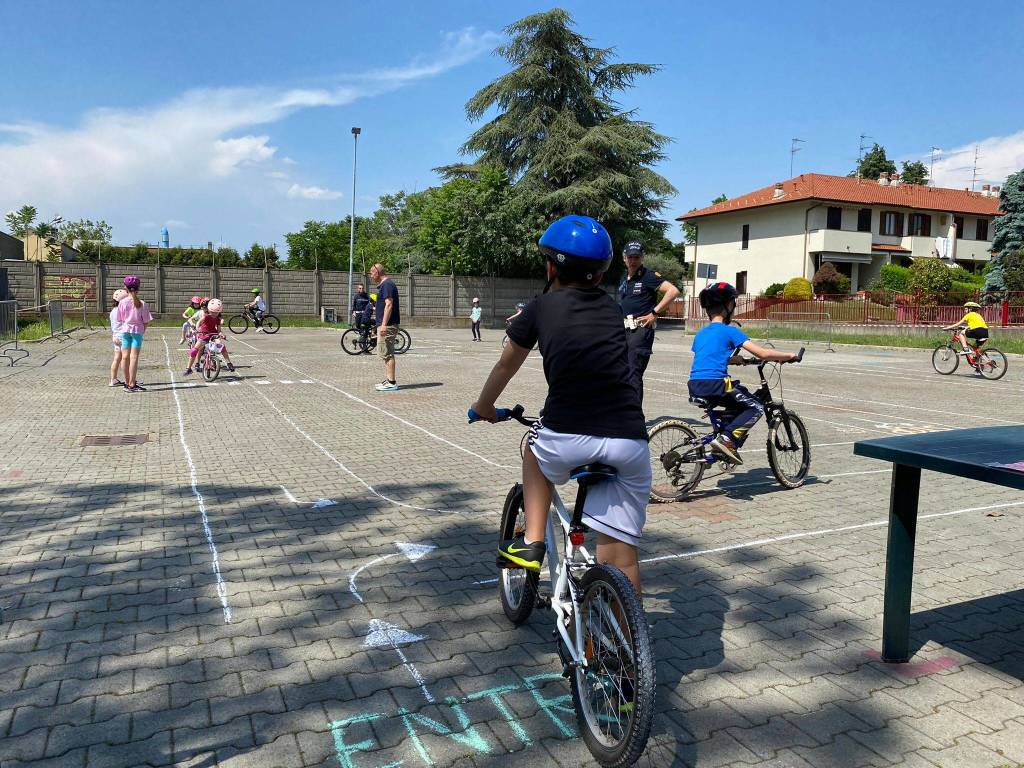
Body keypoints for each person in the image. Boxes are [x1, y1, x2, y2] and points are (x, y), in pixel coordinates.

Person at [471, 215, 651, 593]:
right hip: (630, 441)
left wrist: (484, 406)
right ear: (599, 276)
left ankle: (532, 540)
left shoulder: (539, 308)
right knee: (620, 556)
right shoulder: (611, 310)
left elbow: (506, 364)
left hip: (568, 431)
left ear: (550, 266)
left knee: (533, 452)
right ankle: (624, 641)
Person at [689, 282, 799, 464]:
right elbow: (762, 353)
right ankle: (727, 439)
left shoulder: (700, 334)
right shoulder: (730, 331)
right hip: (717, 384)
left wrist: (734, 359)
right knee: (756, 406)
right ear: (729, 305)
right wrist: (787, 355)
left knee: (739, 397)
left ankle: (722, 440)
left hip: (695, 384)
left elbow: (709, 355)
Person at [618, 240, 681, 403]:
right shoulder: (624, 278)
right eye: (630, 257)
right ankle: (624, 413)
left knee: (633, 375)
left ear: (642, 258)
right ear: (624, 258)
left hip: (640, 331)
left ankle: (635, 420)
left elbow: (673, 291)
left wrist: (654, 312)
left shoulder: (648, 276)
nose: (633, 261)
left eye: (636, 257)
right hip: (624, 331)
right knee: (621, 373)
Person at [115, 275, 153, 392]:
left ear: (125, 287)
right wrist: (142, 331)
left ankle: (127, 383)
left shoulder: (122, 302)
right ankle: (132, 383)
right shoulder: (142, 303)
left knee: (125, 357)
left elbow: (120, 318)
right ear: (138, 287)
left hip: (125, 330)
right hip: (137, 332)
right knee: (134, 357)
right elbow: (146, 321)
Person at [185, 298, 236, 375]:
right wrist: (197, 328)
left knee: (222, 346)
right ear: (209, 310)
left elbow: (218, 330)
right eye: (212, 312)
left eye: (216, 313)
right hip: (204, 334)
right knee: (194, 350)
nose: (214, 314)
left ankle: (229, 363)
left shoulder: (217, 319)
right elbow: (199, 322)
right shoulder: (206, 316)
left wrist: (221, 334)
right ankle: (189, 368)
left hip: (213, 335)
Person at [370, 264, 400, 391]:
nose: (371, 276)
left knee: (387, 353)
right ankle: (388, 380)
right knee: (385, 352)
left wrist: (383, 325)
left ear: (377, 272)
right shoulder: (385, 285)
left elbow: (389, 305)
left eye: (372, 273)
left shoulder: (387, 284)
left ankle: (392, 382)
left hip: (387, 326)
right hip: (385, 325)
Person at [109, 289, 129, 386]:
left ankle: (113, 379)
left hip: (115, 336)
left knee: (117, 358)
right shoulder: (122, 311)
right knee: (126, 359)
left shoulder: (113, 311)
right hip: (123, 337)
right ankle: (128, 380)